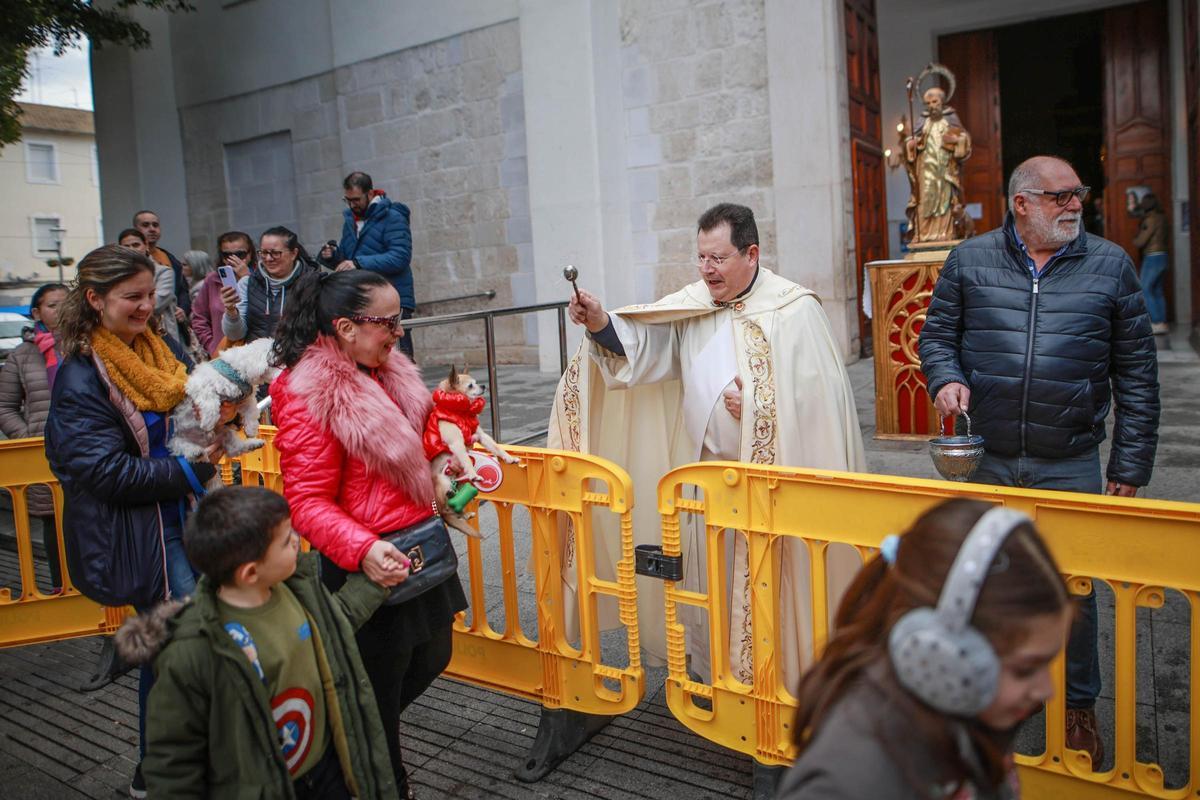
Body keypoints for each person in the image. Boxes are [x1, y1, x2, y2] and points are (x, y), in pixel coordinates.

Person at [553, 202, 865, 688]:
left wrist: (763, 405)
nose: (706, 270)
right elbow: (645, 348)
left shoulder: (794, 309)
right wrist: (599, 322)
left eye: (718, 259)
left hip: (769, 487)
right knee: (710, 593)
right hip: (705, 488)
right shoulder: (694, 303)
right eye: (701, 258)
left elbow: (820, 401)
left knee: (771, 595)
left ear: (752, 253)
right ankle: (717, 680)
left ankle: (777, 685)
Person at [918, 155, 1160, 768]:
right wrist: (944, 378)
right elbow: (937, 336)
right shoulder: (970, 260)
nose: (1075, 204)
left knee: (1074, 594)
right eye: (1060, 196)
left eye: (1078, 194)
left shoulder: (1110, 265)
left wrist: (1129, 467)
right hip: (988, 458)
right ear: (1021, 203)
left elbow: (1137, 375)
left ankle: (1078, 706)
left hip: (1070, 458)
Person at [270, 269, 464, 799]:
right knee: (375, 697)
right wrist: (364, 547)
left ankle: (342, 743)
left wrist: (446, 463)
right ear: (346, 328)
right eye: (388, 321)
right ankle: (380, 782)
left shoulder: (390, 370)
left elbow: (422, 443)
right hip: (367, 563)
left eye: (400, 318)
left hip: (418, 546)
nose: (399, 331)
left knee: (432, 656)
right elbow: (305, 501)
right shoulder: (310, 391)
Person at [43, 244, 222, 798]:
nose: (147, 307)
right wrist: (191, 468)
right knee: (194, 644)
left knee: (172, 650)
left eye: (151, 294)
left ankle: (157, 774)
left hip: (182, 515)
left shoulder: (157, 347)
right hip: (144, 532)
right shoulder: (80, 377)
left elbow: (190, 401)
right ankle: (172, 772)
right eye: (132, 297)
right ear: (95, 300)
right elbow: (106, 474)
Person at [115, 486, 405, 799]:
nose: (297, 540)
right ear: (251, 572)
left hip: (324, 769)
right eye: (286, 540)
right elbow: (173, 759)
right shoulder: (193, 649)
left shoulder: (296, 590)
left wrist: (375, 584)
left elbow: (335, 623)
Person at [775, 499, 1072, 799]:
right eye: (1025, 669)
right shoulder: (847, 782)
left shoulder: (970, 713)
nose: (1047, 690)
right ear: (937, 650)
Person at [0, 282, 68, 592]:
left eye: (67, 303)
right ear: (37, 312)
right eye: (53, 305)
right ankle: (59, 591)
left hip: (89, 449)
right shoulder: (22, 356)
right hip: (44, 454)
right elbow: (5, 407)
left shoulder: (90, 344)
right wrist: (27, 435)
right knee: (54, 524)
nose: (62, 309)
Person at [320, 172, 415, 358]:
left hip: (392, 300)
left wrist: (357, 263)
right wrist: (332, 256)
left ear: (370, 194)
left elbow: (400, 256)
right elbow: (348, 260)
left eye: (356, 199)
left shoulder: (393, 217)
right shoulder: (349, 221)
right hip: (362, 301)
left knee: (400, 360)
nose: (352, 205)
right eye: (347, 200)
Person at [222, 226, 320, 344]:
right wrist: (231, 311)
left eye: (275, 253)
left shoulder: (313, 284)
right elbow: (235, 335)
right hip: (254, 358)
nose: (268, 258)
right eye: (263, 253)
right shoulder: (247, 283)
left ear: (293, 254)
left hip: (299, 358)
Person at [192, 232, 255, 355]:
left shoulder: (259, 279)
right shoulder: (212, 280)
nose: (233, 260)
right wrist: (211, 345)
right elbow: (199, 318)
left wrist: (248, 279)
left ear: (250, 255)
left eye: (240, 254)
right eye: (227, 255)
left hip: (253, 354)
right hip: (222, 353)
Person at [133, 209, 191, 317]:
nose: (152, 229)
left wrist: (183, 308)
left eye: (155, 225)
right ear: (136, 229)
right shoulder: (128, 261)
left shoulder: (170, 259)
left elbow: (182, 290)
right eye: (145, 225)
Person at [1133, 192, 1169, 335]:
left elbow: (1141, 240)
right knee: (1157, 290)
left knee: (1145, 288)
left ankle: (1156, 321)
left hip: (1153, 256)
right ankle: (1162, 322)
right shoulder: (1162, 218)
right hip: (1164, 256)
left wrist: (1134, 241)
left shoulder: (1151, 219)